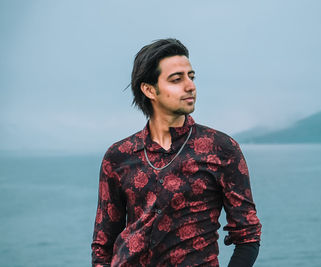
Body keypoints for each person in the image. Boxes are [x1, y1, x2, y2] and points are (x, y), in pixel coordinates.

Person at [91, 38, 262, 266]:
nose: (190, 86)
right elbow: (103, 244)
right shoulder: (118, 156)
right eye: (176, 79)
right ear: (149, 90)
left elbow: (248, 235)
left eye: (191, 77)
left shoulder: (221, 149)